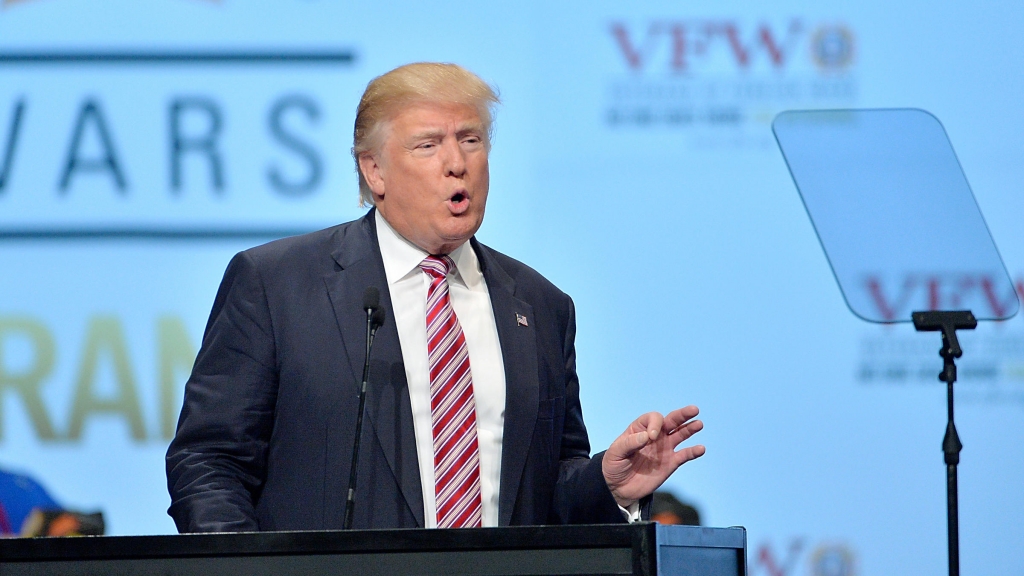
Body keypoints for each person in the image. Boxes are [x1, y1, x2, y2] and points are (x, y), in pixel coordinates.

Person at [166, 62, 705, 532]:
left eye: (470, 140)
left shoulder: (540, 306)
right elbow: (209, 461)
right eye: (428, 145)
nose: (457, 162)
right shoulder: (277, 284)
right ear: (373, 170)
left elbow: (544, 490)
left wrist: (607, 483)